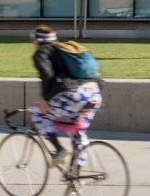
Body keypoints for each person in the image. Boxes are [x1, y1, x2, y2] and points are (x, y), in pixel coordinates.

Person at [30, 24, 102, 168]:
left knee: (38, 113)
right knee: (78, 131)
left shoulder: (42, 52)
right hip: (94, 93)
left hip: (74, 94)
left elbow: (47, 74)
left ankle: (58, 150)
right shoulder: (65, 50)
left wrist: (45, 98)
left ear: (37, 40)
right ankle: (75, 176)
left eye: (32, 40)